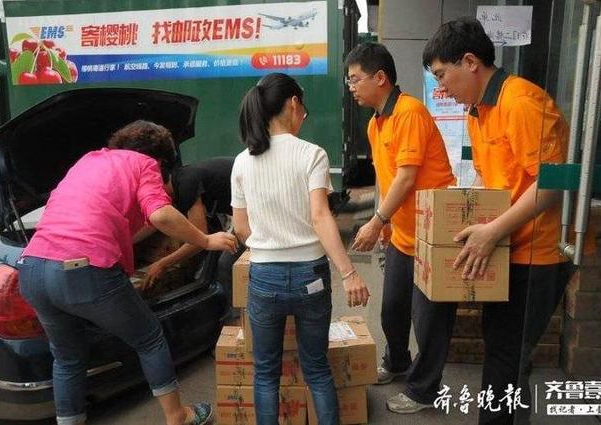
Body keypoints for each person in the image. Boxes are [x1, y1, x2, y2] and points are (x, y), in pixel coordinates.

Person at [15, 120, 238, 425]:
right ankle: (178, 416)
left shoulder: (88, 161)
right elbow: (160, 215)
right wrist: (206, 240)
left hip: (32, 268)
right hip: (82, 270)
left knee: (67, 359)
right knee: (149, 337)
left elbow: (118, 220)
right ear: (160, 161)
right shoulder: (145, 164)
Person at [423, 18, 569, 425]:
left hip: (537, 255)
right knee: (505, 352)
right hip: (509, 247)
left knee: (507, 358)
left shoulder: (521, 102)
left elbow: (552, 184)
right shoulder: (478, 111)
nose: (441, 89)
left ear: (470, 62)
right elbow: (489, 179)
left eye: (442, 75)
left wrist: (492, 230)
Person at [231, 72, 370, 425]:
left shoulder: (243, 161)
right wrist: (349, 273)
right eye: (303, 109)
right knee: (317, 369)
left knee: (265, 373)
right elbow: (320, 216)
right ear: (294, 104)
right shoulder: (312, 155)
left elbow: (241, 227)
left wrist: (269, 244)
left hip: (264, 278)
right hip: (311, 277)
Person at [344, 42, 457, 414]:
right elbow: (388, 179)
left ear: (380, 78)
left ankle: (424, 391)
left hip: (434, 235)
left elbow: (407, 177)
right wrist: (387, 223)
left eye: (355, 79)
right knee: (392, 309)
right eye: (349, 80)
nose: (351, 86)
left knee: (430, 321)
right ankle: (397, 362)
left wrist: (376, 221)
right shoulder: (376, 123)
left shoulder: (409, 112)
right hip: (404, 235)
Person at [140, 157, 239, 288]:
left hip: (254, 209)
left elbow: (199, 240)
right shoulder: (180, 179)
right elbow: (153, 223)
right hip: (243, 209)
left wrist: (163, 264)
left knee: (226, 267)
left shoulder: (186, 184)